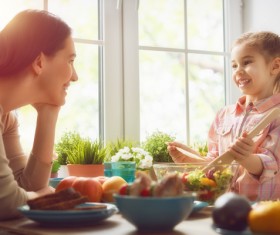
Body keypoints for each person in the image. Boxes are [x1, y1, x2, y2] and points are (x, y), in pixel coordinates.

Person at [167, 31, 280, 201]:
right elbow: (218, 168)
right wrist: (193, 160)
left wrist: (246, 158)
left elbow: (272, 166)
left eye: (247, 62)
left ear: (275, 66)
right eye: (234, 65)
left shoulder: (276, 116)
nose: (238, 71)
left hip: (263, 214)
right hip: (223, 207)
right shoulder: (224, 115)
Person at [0, 10, 78, 220]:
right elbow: (7, 203)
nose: (75, 76)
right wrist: (42, 196)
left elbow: (25, 187)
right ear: (40, 62)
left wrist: (48, 114)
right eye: (70, 61)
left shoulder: (5, 118)